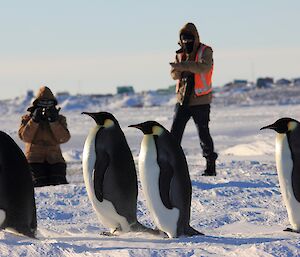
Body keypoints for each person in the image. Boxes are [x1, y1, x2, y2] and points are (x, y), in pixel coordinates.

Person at [169, 22, 218, 176]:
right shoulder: (179, 53)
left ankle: (210, 165)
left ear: (195, 38)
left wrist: (184, 66)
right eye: (184, 39)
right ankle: (171, 164)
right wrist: (180, 69)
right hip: (182, 100)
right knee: (174, 134)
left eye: (189, 39)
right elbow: (173, 74)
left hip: (201, 101)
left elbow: (204, 67)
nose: (186, 42)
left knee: (203, 133)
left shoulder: (205, 51)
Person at [19, 86, 71, 187]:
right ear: (36, 104)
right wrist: (34, 121)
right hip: (34, 160)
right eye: (42, 103)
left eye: (48, 103)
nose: (45, 107)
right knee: (38, 185)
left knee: (59, 185)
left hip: (55, 160)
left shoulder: (60, 119)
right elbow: (25, 137)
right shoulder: (27, 118)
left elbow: (64, 138)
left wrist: (54, 122)